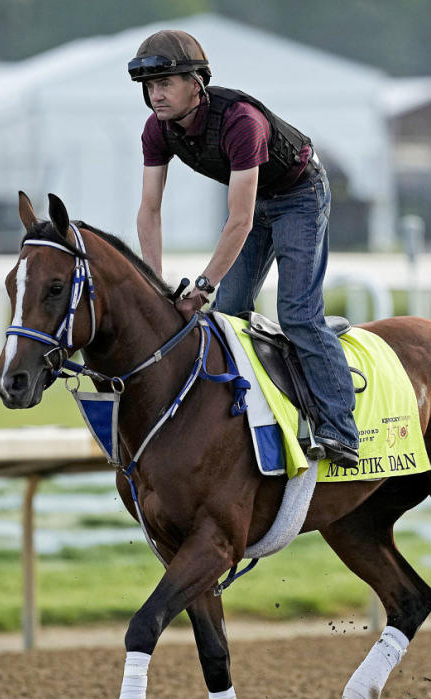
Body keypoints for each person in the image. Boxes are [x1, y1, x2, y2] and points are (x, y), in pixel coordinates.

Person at [129, 29, 359, 469]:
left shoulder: (241, 122)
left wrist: (201, 285)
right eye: (149, 87)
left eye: (165, 84)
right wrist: (155, 283)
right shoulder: (156, 131)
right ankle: (240, 420)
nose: (155, 96)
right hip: (257, 203)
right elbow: (149, 212)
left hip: (300, 195)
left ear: (195, 85)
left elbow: (240, 220)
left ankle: (340, 428)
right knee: (229, 313)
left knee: (296, 312)